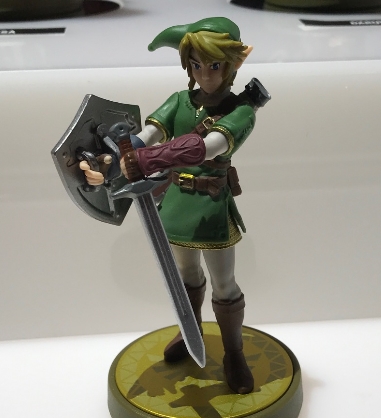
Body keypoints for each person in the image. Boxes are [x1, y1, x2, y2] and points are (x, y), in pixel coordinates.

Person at [82, 17, 258, 394]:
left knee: (224, 284)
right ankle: (189, 331)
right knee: (186, 276)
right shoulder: (179, 100)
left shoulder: (240, 112)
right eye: (196, 65)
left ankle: (234, 353)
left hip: (212, 207)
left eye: (214, 65)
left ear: (232, 64)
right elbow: (144, 136)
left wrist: (142, 160)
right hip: (177, 202)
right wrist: (109, 161)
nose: (205, 74)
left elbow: (206, 147)